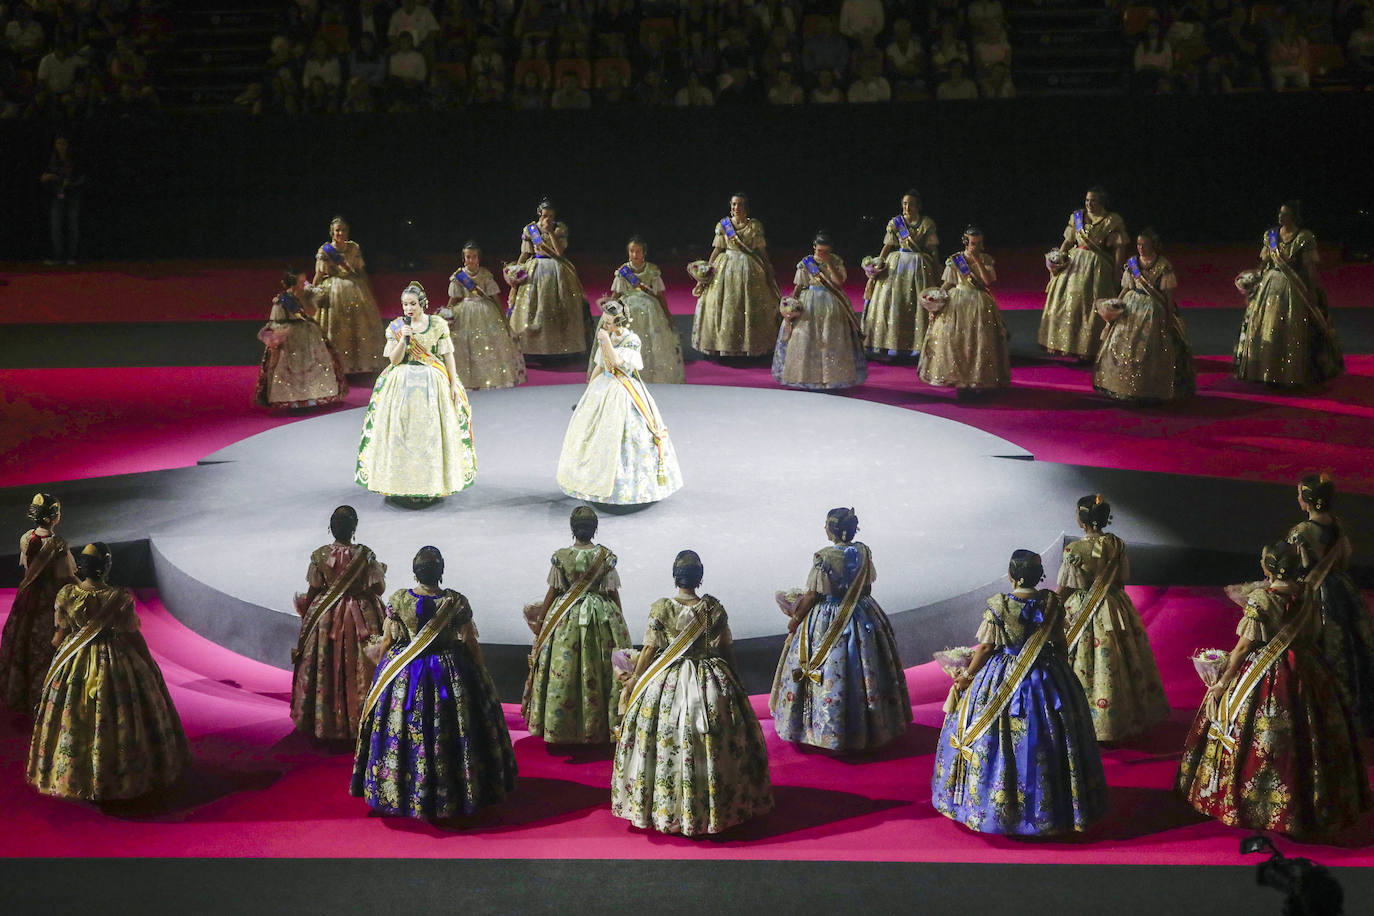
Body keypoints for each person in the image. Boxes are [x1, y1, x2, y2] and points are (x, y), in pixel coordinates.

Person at [1176, 542, 1370, 837]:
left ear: (1268, 567)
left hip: (1266, 674)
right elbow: (1315, 633)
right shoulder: (1307, 592)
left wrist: (1221, 684)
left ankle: (1253, 804)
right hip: (1306, 668)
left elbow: (1243, 648)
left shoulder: (1261, 600)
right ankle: (1314, 804)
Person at [932, 550, 1109, 835]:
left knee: (996, 740)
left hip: (1001, 676)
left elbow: (987, 647)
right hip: (1047, 676)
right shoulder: (1051, 602)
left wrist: (966, 676)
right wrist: (1063, 677)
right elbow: (1060, 644)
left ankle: (996, 806)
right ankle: (1053, 807)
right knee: (1051, 737)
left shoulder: (999, 606)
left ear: (1011, 575)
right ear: (1039, 575)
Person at [613, 550, 773, 835]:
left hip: (668, 682)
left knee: (663, 740)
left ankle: (666, 807)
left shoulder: (662, 608)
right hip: (709, 681)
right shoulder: (714, 609)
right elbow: (725, 649)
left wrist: (636, 681)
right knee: (711, 742)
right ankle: (714, 806)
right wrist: (735, 679)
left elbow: (650, 649)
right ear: (700, 577)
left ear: (675, 576)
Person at [351, 546, 517, 819]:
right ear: (441, 572)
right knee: (457, 729)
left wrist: (381, 670)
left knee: (401, 729)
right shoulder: (456, 602)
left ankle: (401, 791)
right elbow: (470, 641)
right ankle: (456, 792)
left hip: (405, 673)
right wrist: (480, 672)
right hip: (450, 672)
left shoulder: (399, 600)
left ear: (415, 573)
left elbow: (390, 640)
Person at [27, 543, 190, 800]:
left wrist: (55, 664)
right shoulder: (120, 599)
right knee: (121, 717)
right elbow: (133, 636)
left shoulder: (67, 594)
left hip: (74, 661)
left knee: (73, 716)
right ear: (107, 566)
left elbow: (60, 634)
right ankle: (122, 778)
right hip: (116, 663)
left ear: (81, 567)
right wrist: (149, 666)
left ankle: (72, 777)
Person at [770, 508, 911, 751]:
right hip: (863, 615)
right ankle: (871, 727)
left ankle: (824, 730)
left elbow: (814, 595)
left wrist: (795, 616)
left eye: (826, 525)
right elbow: (866, 587)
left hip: (828, 618)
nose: (824, 529)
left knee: (827, 670)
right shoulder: (863, 551)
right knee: (864, 668)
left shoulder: (823, 557)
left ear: (834, 529)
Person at [1057, 495, 1169, 741]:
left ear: (1082, 520)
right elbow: (1120, 579)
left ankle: (1085, 721)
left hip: (1084, 609)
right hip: (1114, 605)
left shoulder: (1073, 550)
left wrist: (1053, 606)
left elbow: (1066, 587)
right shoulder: (1117, 544)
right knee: (1120, 658)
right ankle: (1123, 715)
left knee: (1085, 662)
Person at [355, 281, 476, 502]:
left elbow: (448, 355)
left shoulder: (438, 324)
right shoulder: (396, 327)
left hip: (433, 383)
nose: (408, 309)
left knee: (431, 433)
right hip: (402, 384)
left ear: (422, 303)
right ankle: (401, 483)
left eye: (412, 304)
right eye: (404, 305)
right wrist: (404, 339)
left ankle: (432, 483)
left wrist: (452, 384)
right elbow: (394, 360)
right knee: (402, 433)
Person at [522, 507, 631, 744]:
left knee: (563, 669)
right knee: (599, 667)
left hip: (565, 620)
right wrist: (619, 619)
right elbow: (611, 593)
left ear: (572, 529)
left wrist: (542, 622)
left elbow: (553, 591)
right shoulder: (605, 557)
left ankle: (561, 727)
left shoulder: (562, 557)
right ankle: (601, 727)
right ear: (595, 529)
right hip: (600, 618)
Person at [557, 302, 684, 504]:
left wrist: (606, 340)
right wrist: (588, 391)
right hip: (603, 388)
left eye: (608, 322)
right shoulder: (608, 336)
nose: (604, 325)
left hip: (624, 390)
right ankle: (592, 481)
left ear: (619, 320)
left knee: (627, 435)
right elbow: (601, 365)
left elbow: (616, 363)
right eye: (604, 321)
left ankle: (629, 488)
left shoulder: (631, 340)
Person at [1285, 474, 1374, 735]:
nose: (1298, 498)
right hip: (1342, 590)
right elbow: (1344, 559)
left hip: (1315, 594)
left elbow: (1293, 566)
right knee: (1351, 645)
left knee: (1317, 646)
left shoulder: (1300, 532)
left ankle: (1318, 709)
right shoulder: (1338, 525)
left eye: (1301, 494)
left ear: (1309, 501)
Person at [290, 506, 387, 742]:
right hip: (360, 616)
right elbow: (378, 588)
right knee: (360, 665)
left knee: (325, 663)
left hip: (326, 618)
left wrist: (309, 615)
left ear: (331, 528)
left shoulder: (319, 555)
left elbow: (314, 589)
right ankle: (361, 719)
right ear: (354, 529)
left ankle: (325, 720)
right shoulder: (365, 555)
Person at [1234, 201, 1343, 387]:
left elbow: (1309, 268)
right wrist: (1255, 279)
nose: (1280, 216)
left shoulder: (1304, 237)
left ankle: (1290, 373)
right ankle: (1267, 371)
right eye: (1279, 213)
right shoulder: (1271, 236)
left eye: (1284, 213)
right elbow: (1265, 263)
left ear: (1293, 216)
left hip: (1293, 288)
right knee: (1268, 326)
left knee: (1291, 329)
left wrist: (1313, 290)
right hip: (1270, 286)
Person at [1093, 229, 1196, 403]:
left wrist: (1170, 317)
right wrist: (1116, 304)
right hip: (1131, 305)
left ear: (1153, 246)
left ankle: (1148, 387)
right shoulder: (1132, 263)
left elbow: (1168, 296)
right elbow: (1126, 287)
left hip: (1154, 310)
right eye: (1138, 244)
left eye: (1144, 245)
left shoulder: (1163, 266)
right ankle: (1122, 385)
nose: (1140, 248)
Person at [0, 493, 76, 713]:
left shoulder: (26, 538)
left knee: (22, 638)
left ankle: (19, 691)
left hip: (27, 597)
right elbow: (64, 576)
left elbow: (27, 569)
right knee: (47, 645)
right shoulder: (58, 545)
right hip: (50, 599)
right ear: (54, 517)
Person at [1040, 187, 1128, 361]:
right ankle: (1067, 345)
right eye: (1087, 200)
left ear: (1102, 202)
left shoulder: (1112, 220)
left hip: (1097, 266)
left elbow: (1120, 247)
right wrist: (1059, 256)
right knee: (1069, 301)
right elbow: (1068, 240)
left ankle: (1089, 348)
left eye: (1093, 200)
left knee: (1091, 304)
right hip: (1075, 263)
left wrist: (1117, 269)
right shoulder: (1078, 217)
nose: (1089, 204)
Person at [772, 231, 867, 391]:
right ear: (814, 247)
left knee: (831, 338)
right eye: (819, 251)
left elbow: (838, 283)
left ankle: (832, 378)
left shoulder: (836, 261)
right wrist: (791, 303)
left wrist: (829, 263)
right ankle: (807, 377)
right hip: (809, 302)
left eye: (826, 251)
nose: (822, 254)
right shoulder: (806, 263)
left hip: (831, 302)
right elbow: (799, 285)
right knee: (805, 338)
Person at [919, 226, 1010, 392]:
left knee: (980, 341)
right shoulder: (956, 260)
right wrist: (936, 299)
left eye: (979, 243)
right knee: (955, 340)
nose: (976, 246)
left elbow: (987, 281)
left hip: (979, 301)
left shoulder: (986, 259)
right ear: (966, 243)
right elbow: (948, 282)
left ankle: (978, 378)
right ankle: (957, 377)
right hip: (957, 300)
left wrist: (977, 262)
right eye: (973, 243)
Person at [692, 192, 781, 357]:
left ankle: (749, 345)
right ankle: (723, 344)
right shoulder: (724, 225)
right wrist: (708, 268)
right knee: (724, 305)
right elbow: (718, 249)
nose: (736, 207)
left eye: (739, 204)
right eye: (733, 204)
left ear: (746, 207)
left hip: (749, 268)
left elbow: (761, 250)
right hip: (726, 266)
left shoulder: (754, 226)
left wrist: (768, 267)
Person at [254, 268, 349, 409]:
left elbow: (313, 310)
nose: (303, 285)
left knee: (316, 364)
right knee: (291, 368)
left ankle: (316, 396)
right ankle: (293, 400)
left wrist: (306, 295)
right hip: (290, 338)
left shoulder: (308, 295)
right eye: (300, 282)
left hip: (310, 335)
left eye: (304, 281)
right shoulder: (282, 301)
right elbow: (276, 321)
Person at [508, 198, 590, 358]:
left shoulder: (559, 229)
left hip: (557, 269)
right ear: (540, 214)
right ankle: (533, 347)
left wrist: (550, 232)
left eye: (551, 216)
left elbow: (559, 252)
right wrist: (516, 270)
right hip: (536, 268)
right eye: (545, 215)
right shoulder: (530, 229)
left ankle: (561, 347)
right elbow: (526, 253)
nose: (548, 219)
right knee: (534, 306)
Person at [864, 189, 940, 359]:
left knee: (916, 304)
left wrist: (937, 269)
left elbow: (933, 249)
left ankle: (917, 346)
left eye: (911, 204)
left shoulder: (926, 224)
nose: (907, 207)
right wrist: (878, 264)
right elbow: (887, 246)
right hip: (896, 265)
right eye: (905, 203)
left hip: (919, 266)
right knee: (891, 302)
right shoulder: (896, 223)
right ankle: (889, 344)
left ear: (918, 206)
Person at [445, 241, 526, 390]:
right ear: (464, 258)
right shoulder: (458, 277)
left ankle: (491, 377)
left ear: (479, 258)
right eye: (468, 257)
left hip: (487, 311)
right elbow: (453, 300)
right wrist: (445, 314)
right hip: (464, 314)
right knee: (466, 345)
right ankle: (469, 379)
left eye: (474, 257)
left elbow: (495, 298)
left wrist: (503, 319)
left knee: (491, 345)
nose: (471, 260)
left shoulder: (485, 275)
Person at [313, 216, 386, 375]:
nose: (340, 233)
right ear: (332, 232)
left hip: (355, 288)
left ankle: (359, 364)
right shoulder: (325, 251)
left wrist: (368, 287)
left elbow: (360, 270)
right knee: (336, 326)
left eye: (343, 230)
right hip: (334, 290)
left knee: (358, 326)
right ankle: (337, 365)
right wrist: (312, 291)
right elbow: (319, 274)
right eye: (337, 230)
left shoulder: (353, 248)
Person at [609, 236, 684, 384]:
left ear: (644, 253)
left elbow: (659, 295)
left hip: (649, 309)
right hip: (627, 308)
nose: (635, 255)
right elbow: (616, 294)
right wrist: (610, 312)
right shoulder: (623, 271)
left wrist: (667, 315)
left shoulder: (652, 270)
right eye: (631, 251)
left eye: (638, 251)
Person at [40, 136, 85, 266]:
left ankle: (72, 257)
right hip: (57, 196)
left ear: (68, 145)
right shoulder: (51, 160)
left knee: (73, 225)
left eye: (64, 144)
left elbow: (82, 178)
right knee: (56, 226)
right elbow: (43, 177)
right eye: (59, 143)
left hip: (73, 196)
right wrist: (47, 177)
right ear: (55, 145)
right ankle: (58, 257)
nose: (61, 146)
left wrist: (70, 183)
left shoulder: (75, 159)